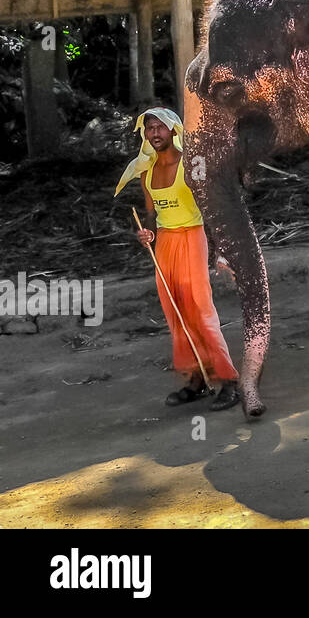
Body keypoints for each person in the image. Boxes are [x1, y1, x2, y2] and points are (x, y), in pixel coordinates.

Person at [114, 107, 240, 411]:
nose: (155, 133)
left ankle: (229, 380)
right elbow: (151, 215)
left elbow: (212, 209)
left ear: (174, 130)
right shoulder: (146, 170)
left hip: (193, 236)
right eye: (149, 128)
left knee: (200, 309)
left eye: (160, 127)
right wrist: (145, 234)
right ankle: (198, 378)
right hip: (166, 243)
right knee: (176, 311)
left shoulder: (192, 164)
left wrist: (220, 251)